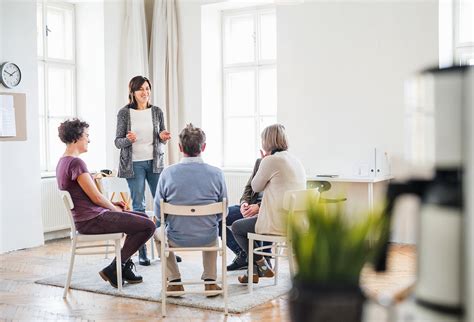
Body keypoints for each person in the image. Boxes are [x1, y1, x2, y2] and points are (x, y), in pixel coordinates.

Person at [56, 119, 156, 289]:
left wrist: (111, 204)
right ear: (76, 138)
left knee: (142, 217)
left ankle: (121, 267)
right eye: (86, 136)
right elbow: (96, 198)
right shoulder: (76, 163)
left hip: (89, 217)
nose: (89, 139)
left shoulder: (63, 162)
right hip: (91, 220)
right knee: (148, 226)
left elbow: (90, 197)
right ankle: (115, 268)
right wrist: (114, 208)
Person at [154, 124, 227, 296]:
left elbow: (158, 213)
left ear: (180, 148)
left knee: (156, 234)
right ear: (204, 147)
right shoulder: (217, 174)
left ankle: (174, 282)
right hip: (207, 238)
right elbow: (223, 212)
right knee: (213, 229)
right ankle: (210, 283)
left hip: (175, 237)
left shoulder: (167, 173)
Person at [232, 124, 306, 284]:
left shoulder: (270, 160)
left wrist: (264, 161)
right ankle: (253, 272)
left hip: (276, 222)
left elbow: (255, 186)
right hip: (295, 223)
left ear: (266, 141)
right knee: (245, 223)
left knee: (238, 228)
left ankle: (262, 264)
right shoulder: (295, 160)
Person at [114, 75, 171, 266]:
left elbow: (161, 137)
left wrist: (163, 137)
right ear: (133, 92)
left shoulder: (157, 112)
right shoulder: (124, 113)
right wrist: (128, 140)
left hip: (155, 163)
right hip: (134, 164)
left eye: (147, 88)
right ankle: (142, 251)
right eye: (141, 89)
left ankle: (167, 248)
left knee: (162, 205)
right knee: (138, 207)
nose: (145, 92)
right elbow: (118, 142)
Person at [218, 158, 272, 271]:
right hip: (250, 206)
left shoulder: (280, 164)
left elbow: (278, 198)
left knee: (255, 222)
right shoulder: (260, 162)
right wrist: (244, 203)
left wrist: (259, 207)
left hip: (267, 210)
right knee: (218, 217)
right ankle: (243, 255)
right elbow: (249, 188)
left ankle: (265, 259)